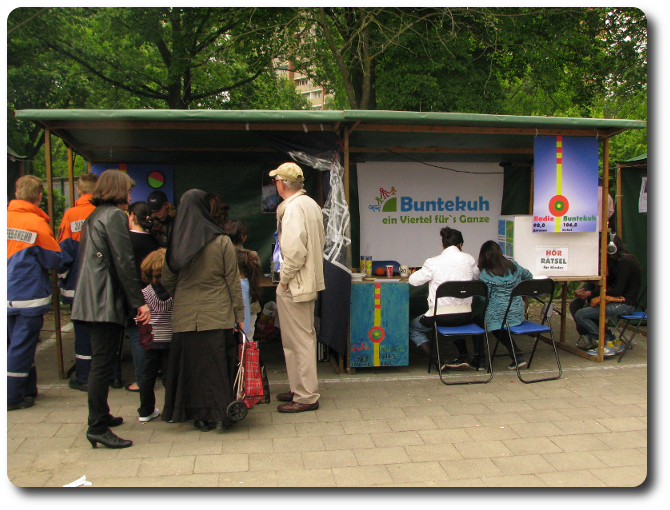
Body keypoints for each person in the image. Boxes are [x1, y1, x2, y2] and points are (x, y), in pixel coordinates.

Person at [71, 169, 150, 449]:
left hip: (91, 299)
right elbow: (124, 261)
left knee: (100, 363)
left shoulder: (95, 215)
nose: (130, 196)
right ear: (118, 190)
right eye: (128, 190)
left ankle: (101, 415)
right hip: (103, 301)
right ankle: (97, 427)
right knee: (102, 365)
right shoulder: (115, 216)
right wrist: (139, 302)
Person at [161, 189, 245, 432]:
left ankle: (197, 417)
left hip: (185, 316)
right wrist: (240, 316)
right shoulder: (221, 241)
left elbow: (167, 279)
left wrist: (184, 292)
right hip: (217, 314)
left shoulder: (175, 242)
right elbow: (233, 283)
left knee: (192, 369)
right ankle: (221, 415)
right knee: (217, 368)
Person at [269, 162, 325, 413]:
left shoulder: (292, 209)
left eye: (276, 181)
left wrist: (284, 280)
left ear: (281, 183)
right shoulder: (310, 204)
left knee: (298, 341)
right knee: (298, 339)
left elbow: (293, 253)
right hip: (307, 281)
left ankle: (305, 396)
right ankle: (299, 388)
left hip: (295, 283)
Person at [7, 175, 62, 411]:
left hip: (8, 295)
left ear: (18, 193)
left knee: (15, 344)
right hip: (28, 294)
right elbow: (54, 259)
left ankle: (27, 389)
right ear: (39, 196)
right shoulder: (37, 224)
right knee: (21, 346)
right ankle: (12, 396)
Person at [55, 173, 103, 392]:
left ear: (80, 190)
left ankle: (84, 377)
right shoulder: (106, 212)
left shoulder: (71, 215)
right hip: (102, 285)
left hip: (77, 284)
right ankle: (111, 375)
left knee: (82, 332)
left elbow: (63, 254)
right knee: (104, 331)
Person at [408, 227, 480, 370]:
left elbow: (413, 281)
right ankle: (464, 355)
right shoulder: (469, 259)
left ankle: (436, 359)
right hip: (465, 315)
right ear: (460, 245)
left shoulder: (433, 262)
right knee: (454, 320)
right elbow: (477, 277)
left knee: (412, 327)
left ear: (443, 245)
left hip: (439, 317)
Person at [575, 233, 641, 357]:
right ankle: (613, 341)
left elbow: (617, 291)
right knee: (585, 310)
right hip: (621, 302)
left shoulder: (624, 262)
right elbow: (609, 285)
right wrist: (588, 292)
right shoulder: (617, 261)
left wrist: (591, 293)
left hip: (625, 304)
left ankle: (606, 342)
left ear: (611, 247)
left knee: (581, 315)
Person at [477, 240, 534, 370]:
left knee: (495, 325)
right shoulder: (515, 267)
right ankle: (517, 355)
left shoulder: (486, 274)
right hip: (517, 312)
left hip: (498, 314)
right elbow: (529, 276)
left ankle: (515, 355)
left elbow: (484, 298)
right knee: (501, 324)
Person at [124, 201, 160, 393]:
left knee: (138, 338)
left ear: (131, 216)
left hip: (136, 297)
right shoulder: (154, 240)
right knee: (153, 336)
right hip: (155, 294)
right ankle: (152, 373)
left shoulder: (127, 241)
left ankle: (141, 380)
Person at [137, 248, 173, 423]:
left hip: (151, 340)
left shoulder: (144, 294)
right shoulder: (175, 292)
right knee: (169, 377)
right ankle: (170, 411)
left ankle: (145, 410)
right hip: (171, 339)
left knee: (148, 375)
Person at [224, 219, 262, 338]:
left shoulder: (220, 256)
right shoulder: (252, 256)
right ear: (244, 237)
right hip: (249, 307)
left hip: (226, 307)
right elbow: (256, 282)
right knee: (247, 341)